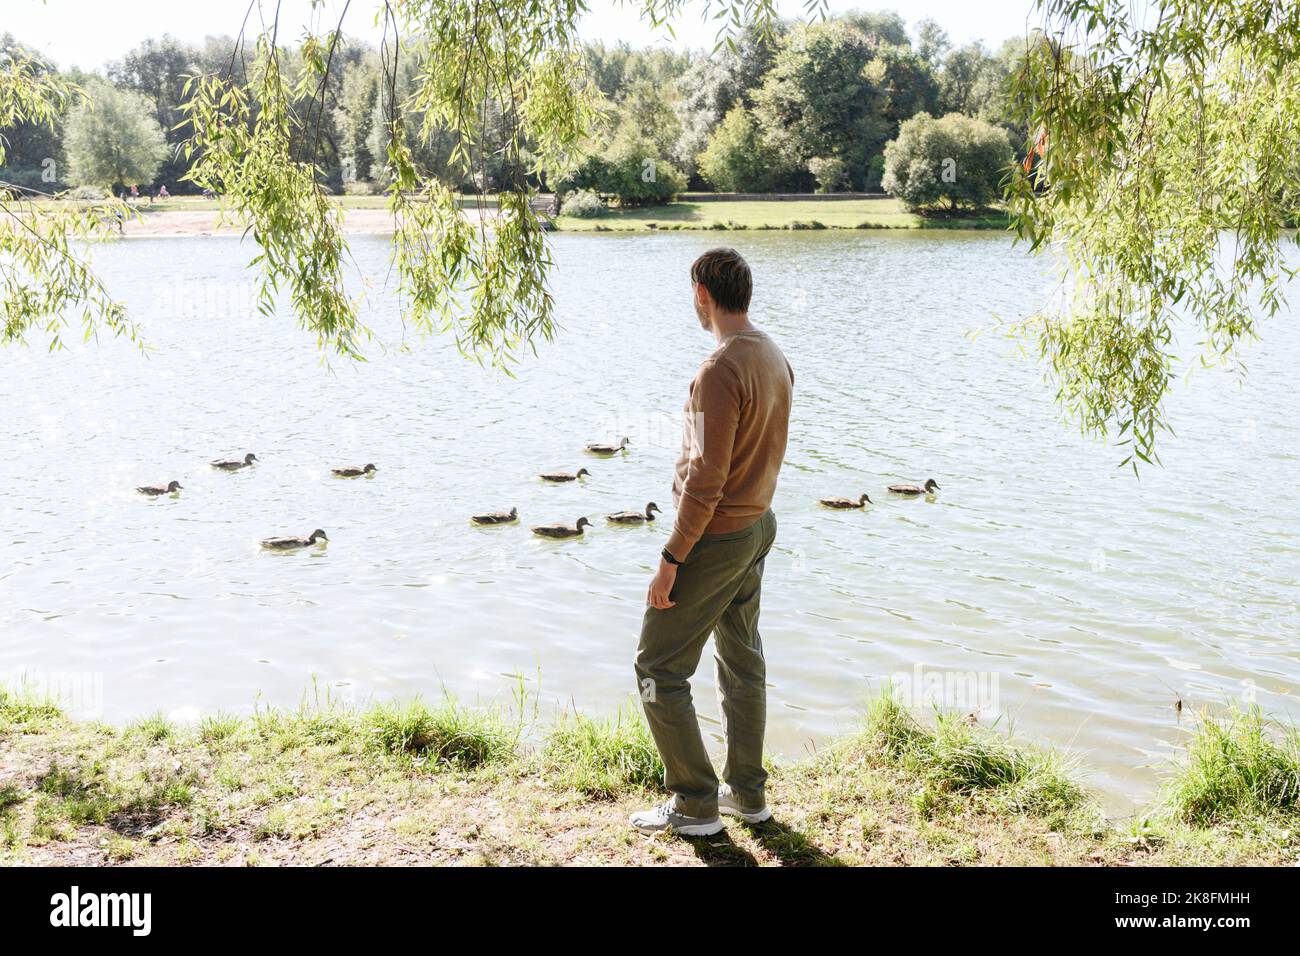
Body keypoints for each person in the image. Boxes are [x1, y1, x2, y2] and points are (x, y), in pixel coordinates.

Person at [630, 247, 794, 836]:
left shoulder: (719, 370)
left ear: (703, 293)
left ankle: (695, 802)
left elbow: (706, 479)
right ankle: (747, 795)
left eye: (691, 296)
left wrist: (671, 559)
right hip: (757, 527)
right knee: (741, 661)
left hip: (718, 537)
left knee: (657, 667)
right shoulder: (772, 353)